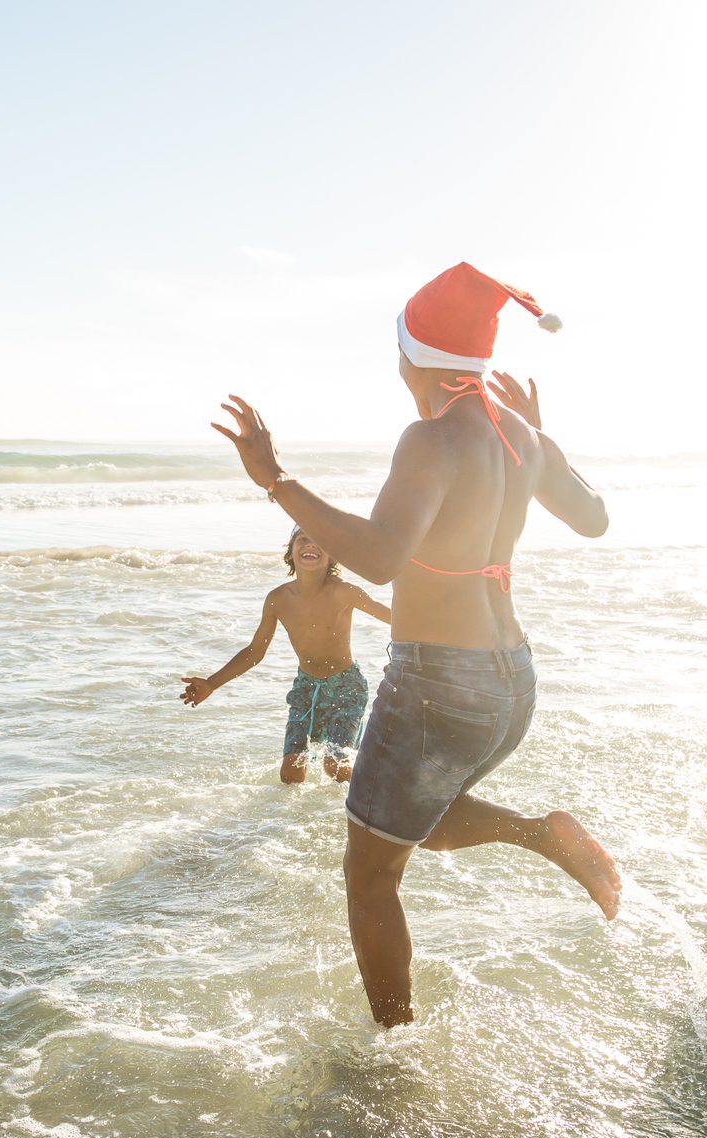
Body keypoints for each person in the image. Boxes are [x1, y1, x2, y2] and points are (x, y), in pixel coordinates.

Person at [211, 262, 622, 1027]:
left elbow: (377, 557)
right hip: (510, 683)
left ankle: (388, 1053)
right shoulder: (519, 436)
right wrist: (543, 440)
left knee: (370, 873)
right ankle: (541, 835)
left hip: (438, 683)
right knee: (418, 820)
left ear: (416, 358)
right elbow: (594, 518)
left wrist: (275, 480)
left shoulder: (430, 438)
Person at [180, 527, 391, 783]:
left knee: (334, 765)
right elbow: (254, 652)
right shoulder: (277, 599)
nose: (310, 544)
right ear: (291, 551)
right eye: (302, 539)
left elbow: (392, 618)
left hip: (347, 687)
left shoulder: (344, 592)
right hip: (305, 688)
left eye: (319, 540)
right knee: (290, 772)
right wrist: (211, 683)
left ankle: (365, 800)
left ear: (332, 556)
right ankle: (296, 821)